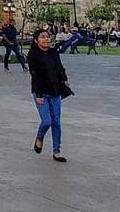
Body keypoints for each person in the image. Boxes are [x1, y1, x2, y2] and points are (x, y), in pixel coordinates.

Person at [27, 28, 70, 163]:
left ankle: (56, 151)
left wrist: (64, 79)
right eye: (42, 37)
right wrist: (39, 94)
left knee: (56, 122)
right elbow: (35, 75)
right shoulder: (33, 55)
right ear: (36, 40)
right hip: (41, 92)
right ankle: (39, 138)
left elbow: (59, 67)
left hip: (55, 90)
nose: (46, 39)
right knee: (47, 121)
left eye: (47, 37)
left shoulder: (53, 52)